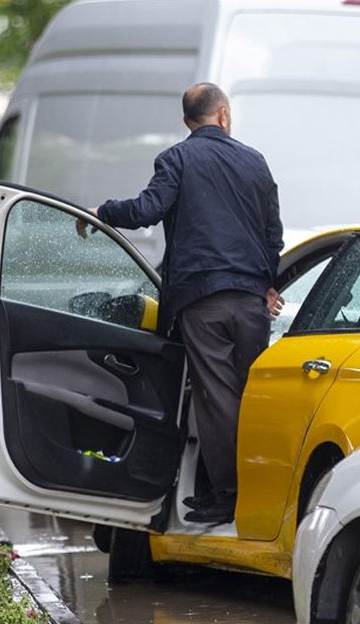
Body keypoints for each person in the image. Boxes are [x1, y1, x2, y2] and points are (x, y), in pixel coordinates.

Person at [93, 83, 284, 525]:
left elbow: (147, 209)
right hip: (253, 303)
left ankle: (228, 495)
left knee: (217, 401)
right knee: (252, 397)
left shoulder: (177, 159)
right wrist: (268, 283)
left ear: (187, 122)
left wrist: (104, 212)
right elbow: (274, 232)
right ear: (224, 114)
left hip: (203, 302)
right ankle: (266, 490)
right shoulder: (255, 161)